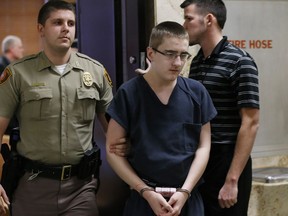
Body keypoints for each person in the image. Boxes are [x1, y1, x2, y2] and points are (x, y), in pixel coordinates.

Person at [0, 1, 113, 215]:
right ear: (41, 28)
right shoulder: (18, 73)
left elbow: (115, 132)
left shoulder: (95, 72)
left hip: (80, 188)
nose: (65, 28)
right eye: (57, 22)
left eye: (71, 23)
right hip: (32, 187)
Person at [106, 21, 217, 216]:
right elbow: (113, 152)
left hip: (187, 199)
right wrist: (145, 192)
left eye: (183, 55)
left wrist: (185, 191)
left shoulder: (196, 92)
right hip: (143, 199)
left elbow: (203, 146)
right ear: (151, 54)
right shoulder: (129, 94)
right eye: (170, 54)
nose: (178, 62)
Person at [180, 0, 260, 216]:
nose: (184, 25)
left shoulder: (239, 61)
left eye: (188, 18)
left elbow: (250, 123)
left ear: (208, 20)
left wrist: (232, 180)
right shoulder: (197, 62)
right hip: (201, 158)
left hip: (228, 160)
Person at [0, 35, 24, 135]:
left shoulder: (11, 67)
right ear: (11, 49)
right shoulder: (2, 67)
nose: (22, 50)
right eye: (20, 47)